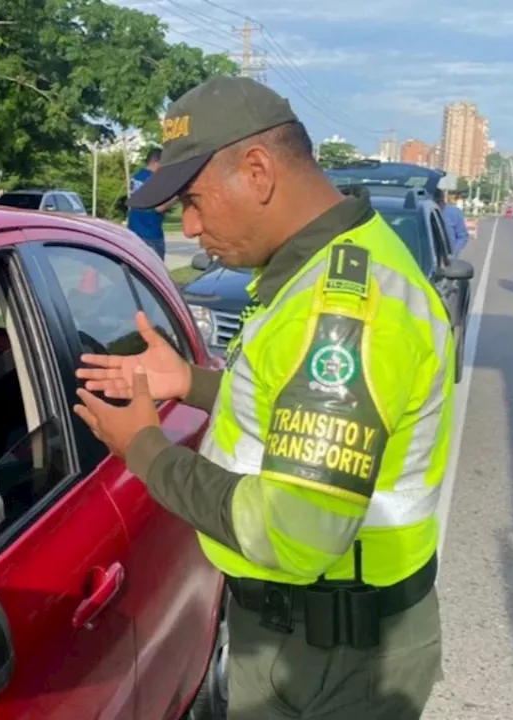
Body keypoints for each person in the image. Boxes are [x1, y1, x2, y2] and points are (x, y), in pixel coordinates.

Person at [73, 76, 452, 719]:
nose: (189, 226)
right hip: (309, 632)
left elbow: (292, 534)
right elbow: (295, 408)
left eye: (194, 201)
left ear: (257, 171)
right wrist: (190, 382)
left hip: (334, 654)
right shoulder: (325, 267)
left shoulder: (344, 310)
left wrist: (142, 447)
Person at [127, 148, 173, 259]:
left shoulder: (136, 177)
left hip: (134, 231)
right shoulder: (156, 179)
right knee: (155, 270)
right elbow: (159, 208)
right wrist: (177, 196)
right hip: (151, 233)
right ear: (155, 162)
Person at [434, 188, 469, 257]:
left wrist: (453, 254)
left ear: (441, 201)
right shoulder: (425, 214)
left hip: (447, 258)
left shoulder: (454, 213)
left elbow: (462, 236)